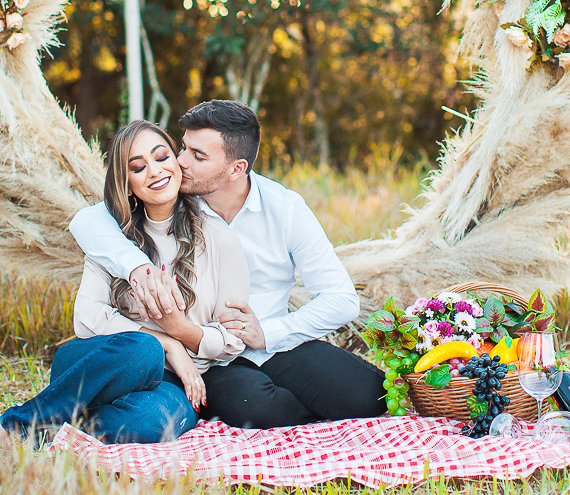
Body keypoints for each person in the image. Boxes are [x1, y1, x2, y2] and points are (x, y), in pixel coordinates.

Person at [69, 100, 386, 429]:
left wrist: (268, 333)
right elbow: (86, 222)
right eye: (183, 148)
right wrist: (138, 267)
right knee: (255, 406)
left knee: (368, 396)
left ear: (236, 169)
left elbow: (342, 299)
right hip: (211, 356)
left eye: (198, 156)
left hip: (272, 343)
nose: (180, 161)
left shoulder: (285, 209)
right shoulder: (171, 196)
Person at [0, 119, 249, 444]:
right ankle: (17, 422)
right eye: (138, 167)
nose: (155, 171)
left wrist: (182, 332)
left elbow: (233, 338)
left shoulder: (221, 240)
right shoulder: (110, 239)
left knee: (152, 422)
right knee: (144, 349)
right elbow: (87, 317)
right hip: (98, 364)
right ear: (127, 183)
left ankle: (54, 424)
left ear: (178, 162)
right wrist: (166, 343)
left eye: (162, 157)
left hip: (171, 382)